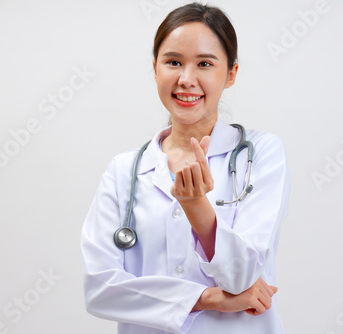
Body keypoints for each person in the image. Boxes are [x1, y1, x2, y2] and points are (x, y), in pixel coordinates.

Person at [81, 3, 290, 333]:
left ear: (231, 74)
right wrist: (205, 298)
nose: (186, 79)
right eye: (173, 62)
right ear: (155, 69)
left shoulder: (261, 154)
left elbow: (242, 276)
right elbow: (99, 290)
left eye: (205, 64)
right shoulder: (124, 172)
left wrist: (196, 205)